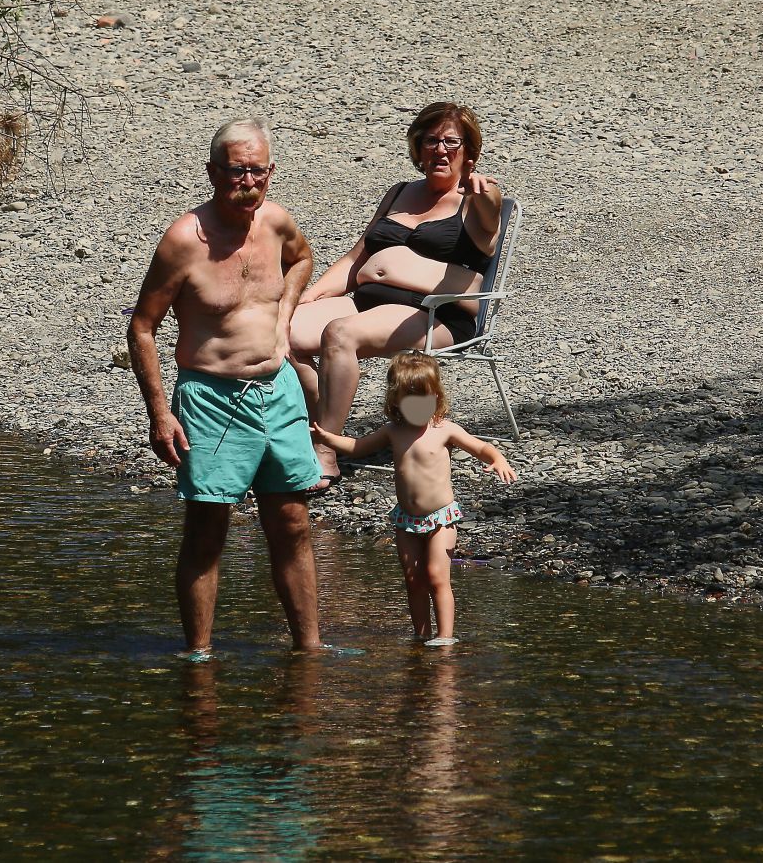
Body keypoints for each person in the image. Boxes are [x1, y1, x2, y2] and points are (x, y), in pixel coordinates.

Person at [128, 116, 324, 659]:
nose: (248, 182)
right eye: (237, 171)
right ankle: (199, 657)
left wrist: (285, 313)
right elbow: (142, 327)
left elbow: (303, 259)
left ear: (271, 172)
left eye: (257, 171)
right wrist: (160, 414)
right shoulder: (183, 241)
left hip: (279, 391)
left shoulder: (277, 222)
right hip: (211, 399)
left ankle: (310, 650)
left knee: (292, 522)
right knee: (208, 527)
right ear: (214, 172)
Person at [290, 102, 504, 494]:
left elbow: (491, 217)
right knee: (281, 331)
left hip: (433, 314)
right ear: (418, 147)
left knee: (340, 334)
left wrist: (485, 190)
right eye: (431, 141)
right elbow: (356, 258)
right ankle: (322, 418)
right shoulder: (399, 193)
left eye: (451, 142)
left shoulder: (476, 200)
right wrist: (309, 296)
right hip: (367, 300)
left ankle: (325, 452)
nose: (440, 150)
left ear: (469, 151)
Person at [310, 352, 516, 646]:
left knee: (436, 576)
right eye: (410, 400)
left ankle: (445, 637)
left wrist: (497, 459)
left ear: (436, 396)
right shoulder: (393, 432)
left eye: (424, 399)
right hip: (406, 520)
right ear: (395, 401)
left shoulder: (444, 429)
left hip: (440, 518)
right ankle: (421, 635)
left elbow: (480, 447)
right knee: (413, 579)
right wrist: (327, 438)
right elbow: (357, 447)